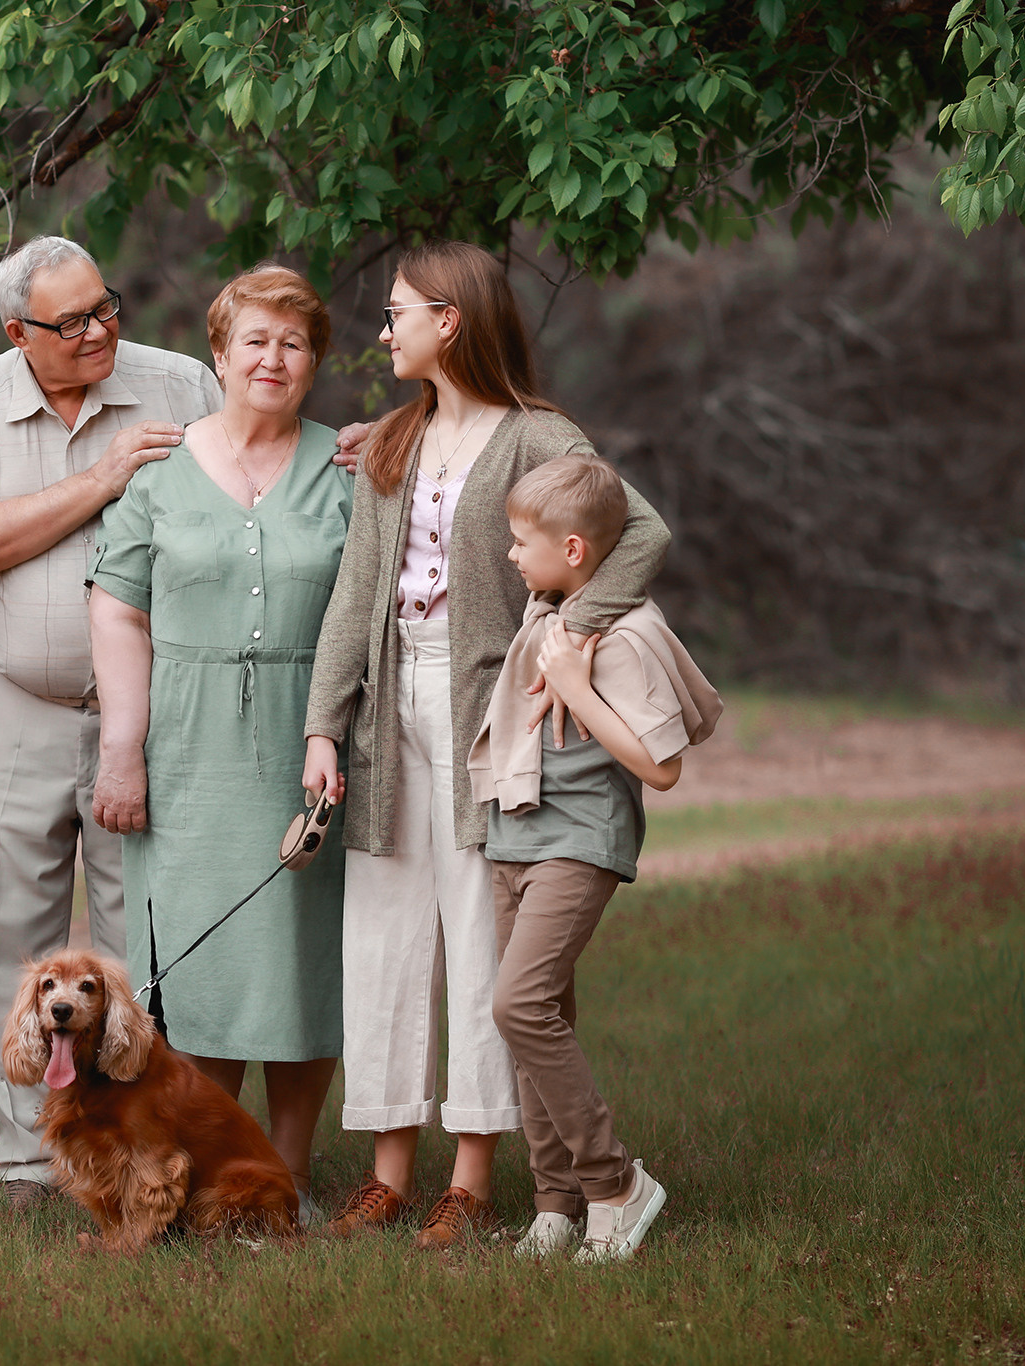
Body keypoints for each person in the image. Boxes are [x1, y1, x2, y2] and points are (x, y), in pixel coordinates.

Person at [302, 240, 673, 1250]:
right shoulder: (392, 440)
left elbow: (639, 532)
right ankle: (386, 1174)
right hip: (387, 709)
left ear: (449, 321)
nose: (385, 330)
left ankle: (469, 1179)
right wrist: (321, 725)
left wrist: (572, 629)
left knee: (478, 932)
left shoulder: (539, 435)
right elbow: (351, 593)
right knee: (381, 932)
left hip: (488, 718)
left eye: (398, 312)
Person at [0, 236, 221, 1209]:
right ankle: (25, 1157)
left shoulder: (179, 385)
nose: (99, 331)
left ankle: (140, 1149)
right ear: (16, 334)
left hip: (152, 714)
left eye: (107, 307)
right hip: (17, 707)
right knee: (14, 939)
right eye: (71, 321)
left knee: (142, 939)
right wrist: (101, 479)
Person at [87, 265, 350, 1224]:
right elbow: (117, 611)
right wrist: (124, 747)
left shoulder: (347, 465)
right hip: (184, 744)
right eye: (254, 340)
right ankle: (199, 1173)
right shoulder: (158, 467)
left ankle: (280, 1181)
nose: (271, 358)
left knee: (298, 961)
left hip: (306, 735)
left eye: (292, 343)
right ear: (219, 353)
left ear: (314, 361)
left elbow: (366, 615)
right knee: (190, 978)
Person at [470, 454, 722, 1261]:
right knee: (539, 1018)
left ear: (573, 550)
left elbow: (663, 767)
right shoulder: (555, 608)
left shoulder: (619, 635)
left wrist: (576, 691)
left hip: (577, 840)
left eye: (520, 541)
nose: (511, 554)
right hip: (517, 830)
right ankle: (556, 1201)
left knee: (518, 1005)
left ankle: (614, 1183)